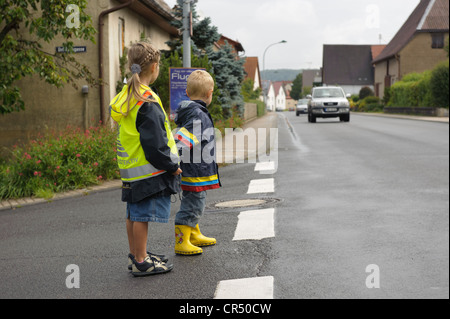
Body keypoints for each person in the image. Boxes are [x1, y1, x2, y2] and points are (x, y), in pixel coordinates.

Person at [110, 42, 182, 277]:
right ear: (154, 67)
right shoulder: (146, 101)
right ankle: (141, 261)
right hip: (148, 171)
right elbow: (155, 145)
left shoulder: (127, 95)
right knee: (142, 216)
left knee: (133, 214)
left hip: (131, 169)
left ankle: (136, 255)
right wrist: (171, 166)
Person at [173, 70, 221, 256]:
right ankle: (181, 241)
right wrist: (173, 160)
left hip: (195, 168)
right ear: (209, 93)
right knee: (192, 204)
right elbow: (183, 141)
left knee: (196, 201)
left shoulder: (192, 112)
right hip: (194, 170)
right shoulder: (198, 115)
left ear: (187, 92)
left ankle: (193, 233)